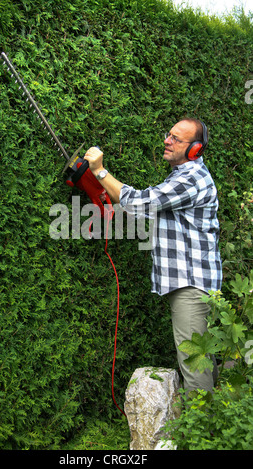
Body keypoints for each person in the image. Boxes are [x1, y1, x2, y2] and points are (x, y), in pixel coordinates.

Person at [84, 118, 222, 393]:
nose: (167, 141)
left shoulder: (190, 178)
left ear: (194, 149)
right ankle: (210, 427)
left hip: (191, 286)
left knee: (195, 366)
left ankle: (198, 433)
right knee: (203, 361)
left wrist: (100, 172)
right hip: (193, 283)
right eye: (168, 134)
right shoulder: (182, 176)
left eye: (176, 139)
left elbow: (140, 202)